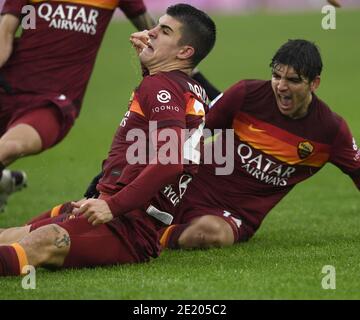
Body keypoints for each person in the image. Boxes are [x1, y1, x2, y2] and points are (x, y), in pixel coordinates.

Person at [0, 3, 216, 277]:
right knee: (11, 235)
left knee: (47, 240)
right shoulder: (189, 88)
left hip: (127, 227)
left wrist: (110, 206)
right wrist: (150, 66)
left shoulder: (160, 86)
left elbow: (170, 160)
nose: (149, 33)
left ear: (185, 51)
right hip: (119, 212)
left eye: (163, 31)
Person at [158, 39, 360, 249]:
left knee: (211, 233)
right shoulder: (246, 93)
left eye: (293, 80)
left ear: (314, 83)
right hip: (184, 188)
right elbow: (191, 135)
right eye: (276, 76)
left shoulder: (330, 131)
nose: (281, 86)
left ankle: (151, 237)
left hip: (232, 216)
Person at [0, 0, 156, 211]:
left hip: (54, 103)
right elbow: (5, 33)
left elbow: (159, 38)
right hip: (8, 86)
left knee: (9, 147)